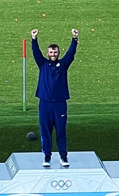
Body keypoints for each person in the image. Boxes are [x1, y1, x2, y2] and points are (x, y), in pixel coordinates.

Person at [31, 28, 79, 168]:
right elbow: (36, 53)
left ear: (58, 53)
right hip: (45, 103)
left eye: (55, 52)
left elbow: (71, 53)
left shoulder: (63, 65)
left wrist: (74, 39)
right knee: (45, 131)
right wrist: (34, 39)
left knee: (61, 131)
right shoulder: (43, 64)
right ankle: (47, 157)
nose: (53, 54)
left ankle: (63, 157)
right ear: (47, 53)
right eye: (51, 52)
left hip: (60, 104)